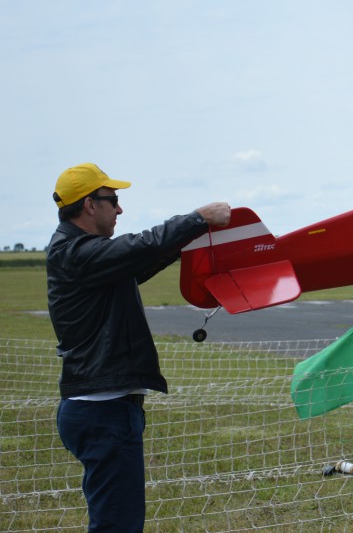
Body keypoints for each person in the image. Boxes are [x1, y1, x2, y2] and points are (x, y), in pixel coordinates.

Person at [46, 162, 231, 532]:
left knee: (115, 520)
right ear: (89, 205)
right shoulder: (75, 253)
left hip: (102, 410)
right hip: (103, 412)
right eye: (112, 200)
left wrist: (182, 246)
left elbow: (138, 260)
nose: (119, 209)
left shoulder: (85, 255)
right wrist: (197, 219)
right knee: (119, 525)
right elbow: (140, 246)